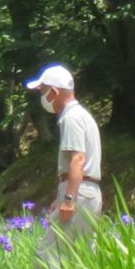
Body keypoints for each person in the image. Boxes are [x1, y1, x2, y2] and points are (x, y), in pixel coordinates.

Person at [27, 62, 103, 246]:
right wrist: (59, 197)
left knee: (50, 255)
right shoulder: (82, 115)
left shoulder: (71, 118)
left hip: (79, 192)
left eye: (43, 91)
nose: (42, 97)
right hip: (87, 192)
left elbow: (78, 159)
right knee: (81, 256)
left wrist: (68, 199)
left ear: (53, 92)